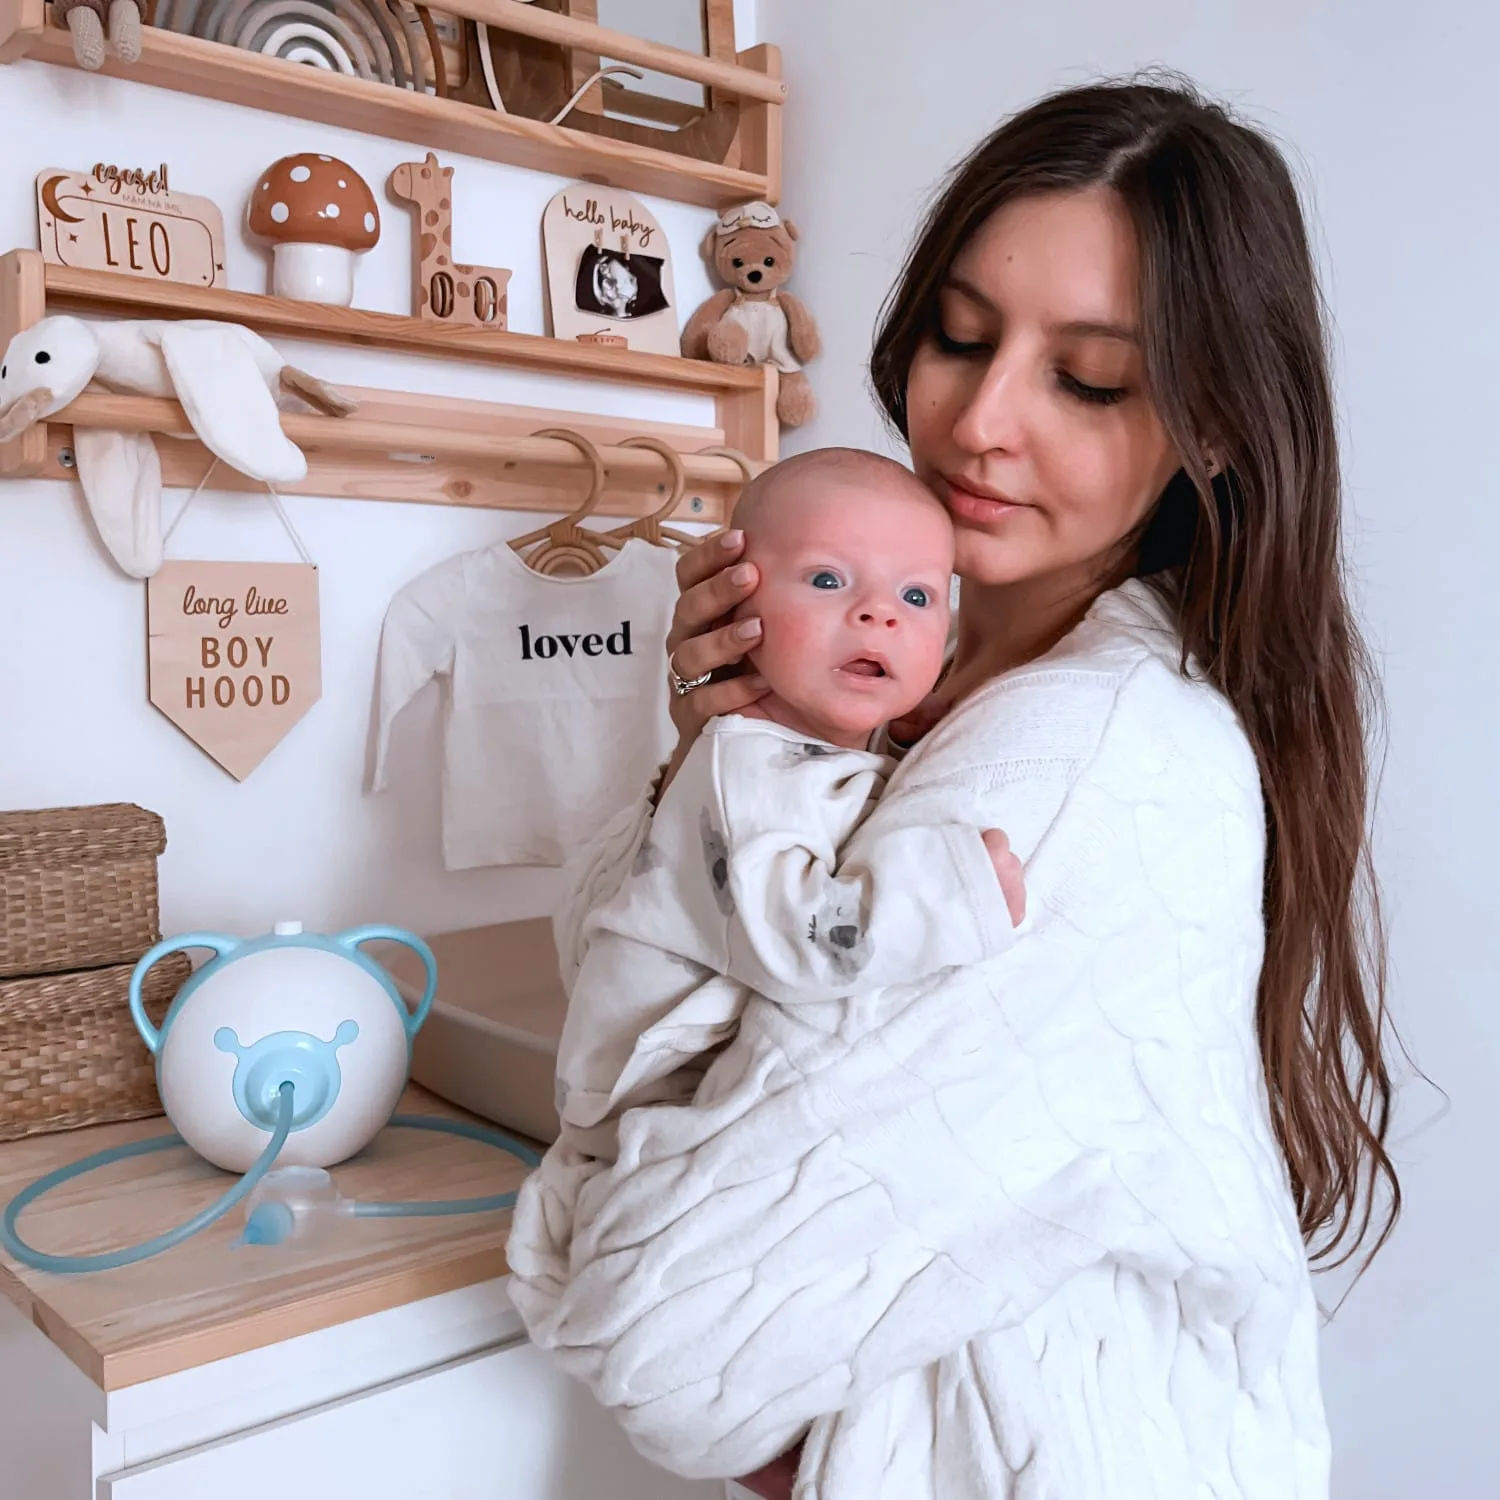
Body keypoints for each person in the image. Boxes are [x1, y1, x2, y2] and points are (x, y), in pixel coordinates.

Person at [512, 77, 1398, 1500]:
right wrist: (724, 753)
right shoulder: (892, 671)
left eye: (1091, 380)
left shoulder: (1087, 765)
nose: (979, 420)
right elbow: (615, 1005)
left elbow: (662, 1343)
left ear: (1214, 428)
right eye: (959, 337)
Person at [510, 451, 1026, 1300]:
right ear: (736, 602)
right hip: (646, 1121)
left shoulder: (815, 755)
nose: (878, 616)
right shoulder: (744, 768)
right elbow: (799, 938)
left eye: (918, 597)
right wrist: (952, 892)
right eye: (828, 580)